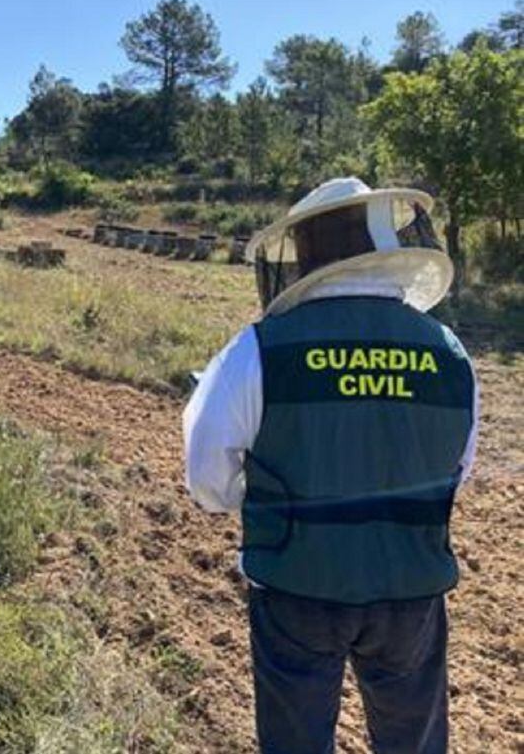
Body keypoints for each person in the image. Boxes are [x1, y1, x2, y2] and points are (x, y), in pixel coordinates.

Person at [183, 177, 480, 754]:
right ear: (383, 244)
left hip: (297, 585)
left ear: (307, 252)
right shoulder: (450, 353)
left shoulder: (259, 348)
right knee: (413, 742)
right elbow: (456, 468)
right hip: (411, 591)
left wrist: (259, 499)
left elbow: (207, 474)